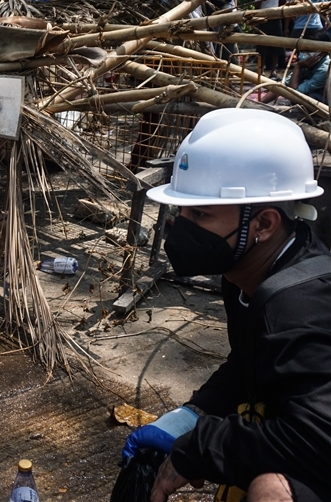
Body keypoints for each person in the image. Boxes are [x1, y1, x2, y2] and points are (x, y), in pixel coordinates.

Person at [123, 108, 330, 502]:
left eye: (200, 214)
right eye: (180, 211)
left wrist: (200, 449)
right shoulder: (250, 276)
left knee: (272, 491)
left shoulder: (300, 307)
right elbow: (251, 361)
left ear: (264, 224)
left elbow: (317, 437)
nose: (181, 227)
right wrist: (195, 413)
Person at [254, 0, 287, 77]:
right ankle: (261, 69)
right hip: (264, 21)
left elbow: (282, 4)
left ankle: (273, 70)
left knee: (276, 46)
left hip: (276, 21)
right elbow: (257, 7)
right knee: (262, 47)